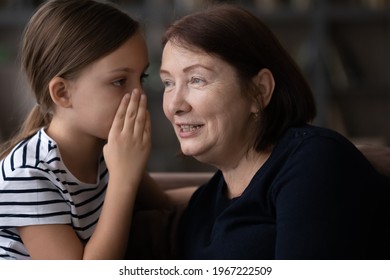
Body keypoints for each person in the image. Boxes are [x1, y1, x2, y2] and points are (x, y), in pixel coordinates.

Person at [158, 4, 390, 259]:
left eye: (197, 80)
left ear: (260, 90)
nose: (174, 105)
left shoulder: (314, 162)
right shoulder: (204, 202)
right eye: (168, 83)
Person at [0, 0, 171, 260]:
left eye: (142, 78)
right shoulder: (28, 176)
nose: (140, 95)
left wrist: (241, 187)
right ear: (62, 93)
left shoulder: (102, 149)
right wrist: (123, 178)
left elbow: (164, 202)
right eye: (119, 81)